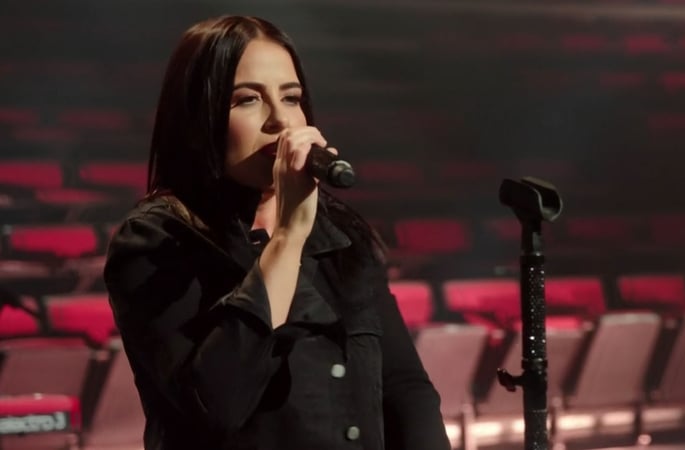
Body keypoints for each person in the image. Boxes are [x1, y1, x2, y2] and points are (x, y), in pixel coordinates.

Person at [103, 15, 451, 450]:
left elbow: (405, 389)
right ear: (198, 118)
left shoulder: (339, 233)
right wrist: (287, 236)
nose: (280, 121)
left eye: (291, 97)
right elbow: (217, 404)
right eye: (248, 100)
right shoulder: (157, 240)